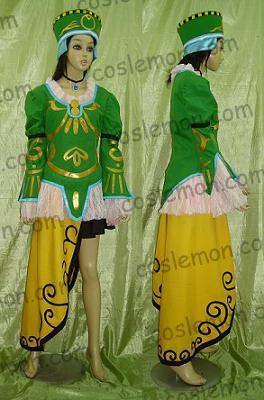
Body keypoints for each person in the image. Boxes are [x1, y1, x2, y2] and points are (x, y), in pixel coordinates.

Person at [18, 9, 134, 382]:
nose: (85, 54)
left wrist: (116, 196)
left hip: (91, 195)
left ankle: (94, 354)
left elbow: (111, 153)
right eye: (77, 46)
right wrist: (29, 196)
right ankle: (34, 348)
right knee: (44, 270)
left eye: (89, 47)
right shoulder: (41, 97)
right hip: (53, 196)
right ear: (64, 50)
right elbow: (36, 151)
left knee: (90, 270)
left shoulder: (105, 101)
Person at [152, 10, 250, 386]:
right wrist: (230, 183)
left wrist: (232, 178)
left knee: (196, 268)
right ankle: (178, 351)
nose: (223, 54)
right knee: (187, 270)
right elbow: (204, 144)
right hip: (192, 188)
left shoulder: (188, 82)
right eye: (220, 47)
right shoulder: (192, 85)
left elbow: (208, 143)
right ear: (206, 50)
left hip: (196, 186)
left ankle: (195, 334)